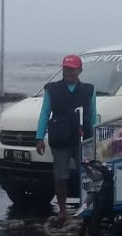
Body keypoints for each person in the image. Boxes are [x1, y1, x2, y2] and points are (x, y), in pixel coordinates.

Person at [36, 54, 95, 221]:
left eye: (72, 69)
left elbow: (92, 115)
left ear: (79, 70)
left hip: (83, 141)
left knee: (87, 176)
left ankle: (87, 209)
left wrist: (93, 141)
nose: (68, 72)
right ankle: (62, 211)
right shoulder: (51, 89)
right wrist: (39, 137)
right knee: (61, 177)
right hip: (60, 140)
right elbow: (45, 113)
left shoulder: (89, 89)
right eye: (65, 68)